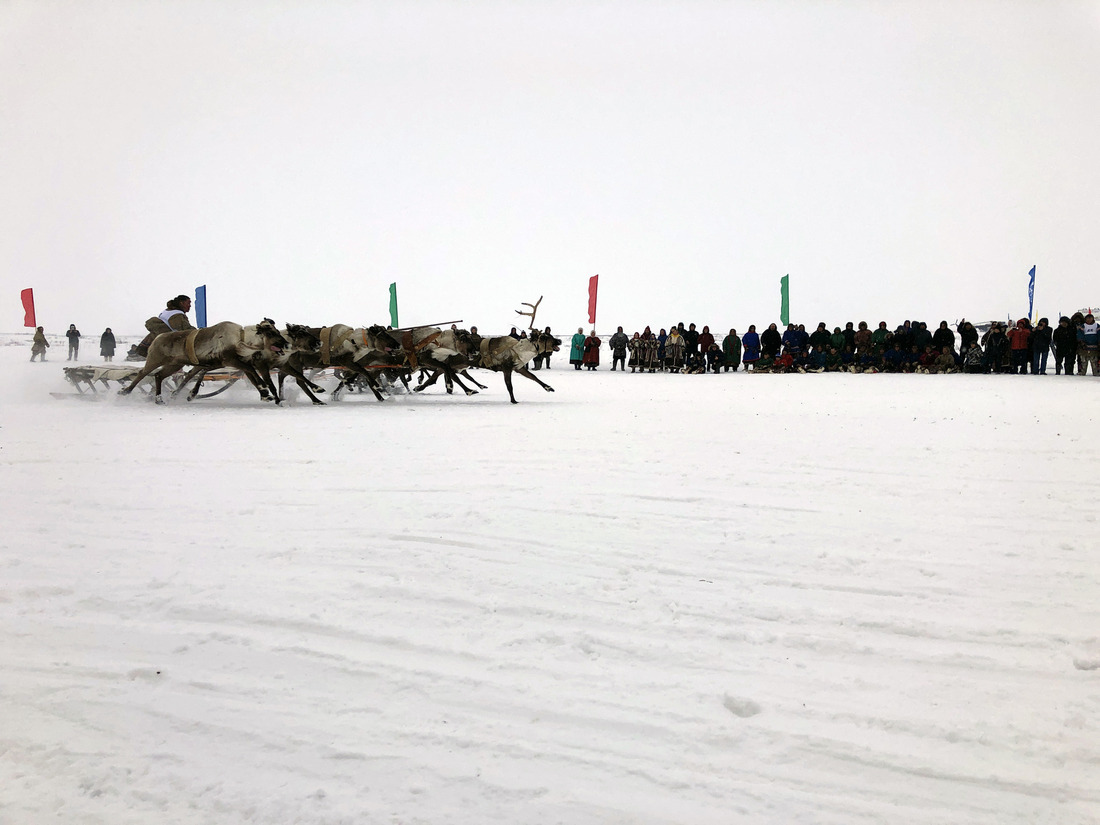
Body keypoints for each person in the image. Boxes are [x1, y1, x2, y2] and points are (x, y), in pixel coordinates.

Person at [131, 295, 195, 359]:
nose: (190, 305)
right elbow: (186, 330)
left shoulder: (168, 311)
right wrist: (200, 332)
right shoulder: (177, 315)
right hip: (165, 344)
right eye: (188, 303)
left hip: (155, 340)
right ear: (182, 303)